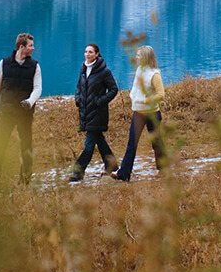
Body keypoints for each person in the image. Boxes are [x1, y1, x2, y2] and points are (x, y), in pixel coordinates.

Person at [0, 32, 42, 184]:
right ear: (21, 47)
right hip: (7, 112)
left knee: (26, 145)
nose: (33, 48)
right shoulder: (4, 63)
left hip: (25, 113)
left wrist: (30, 102)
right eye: (30, 46)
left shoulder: (35, 66)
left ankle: (25, 179)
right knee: (0, 144)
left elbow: (38, 88)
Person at [112, 44, 167, 181]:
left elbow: (161, 95)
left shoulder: (154, 75)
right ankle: (124, 174)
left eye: (138, 55)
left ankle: (164, 168)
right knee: (132, 142)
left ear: (146, 58)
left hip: (152, 113)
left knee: (156, 142)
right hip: (138, 113)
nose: (136, 57)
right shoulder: (139, 71)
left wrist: (147, 100)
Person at [68, 42, 120, 182]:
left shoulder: (104, 71)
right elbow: (79, 85)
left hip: (98, 113)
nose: (87, 54)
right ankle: (112, 165)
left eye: (91, 52)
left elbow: (114, 90)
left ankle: (78, 172)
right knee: (99, 140)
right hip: (85, 112)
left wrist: (99, 101)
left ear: (97, 54)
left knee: (89, 145)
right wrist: (78, 99)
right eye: (86, 52)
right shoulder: (83, 68)